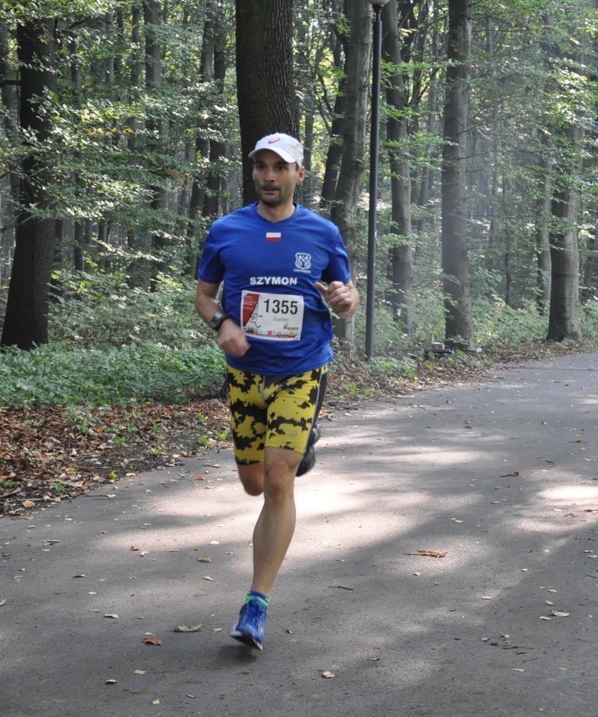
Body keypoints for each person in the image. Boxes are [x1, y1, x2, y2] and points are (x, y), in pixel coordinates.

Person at [194, 132, 359, 650]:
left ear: (298, 174)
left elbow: (346, 296)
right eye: (261, 167)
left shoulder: (322, 232)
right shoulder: (227, 230)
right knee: (254, 484)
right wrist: (222, 322)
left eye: (279, 167)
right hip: (245, 374)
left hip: (301, 369)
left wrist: (345, 299)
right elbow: (204, 297)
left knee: (278, 479)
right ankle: (297, 449)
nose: (268, 176)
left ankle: (256, 605)